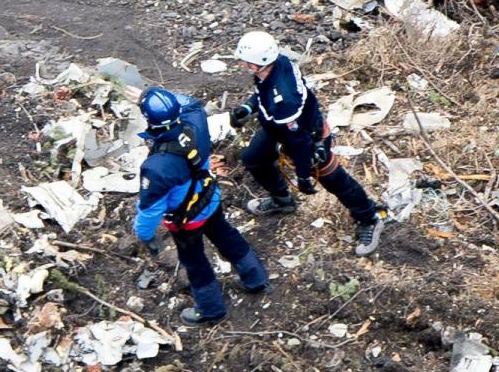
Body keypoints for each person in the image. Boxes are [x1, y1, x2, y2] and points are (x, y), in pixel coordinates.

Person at [229, 31, 387, 257]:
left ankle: (369, 218)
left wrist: (303, 175)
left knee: (335, 181)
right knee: (253, 159)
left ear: (256, 65)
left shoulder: (284, 100)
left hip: (307, 139)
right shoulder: (277, 64)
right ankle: (282, 199)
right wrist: (247, 108)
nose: (242, 64)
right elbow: (262, 94)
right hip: (278, 129)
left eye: (246, 62)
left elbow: (299, 142)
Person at [132, 87, 269, 325]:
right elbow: (192, 102)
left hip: (186, 221)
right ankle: (256, 278)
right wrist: (159, 96)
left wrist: (145, 236)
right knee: (228, 237)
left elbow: (150, 209)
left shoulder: (156, 167)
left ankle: (211, 309)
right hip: (209, 198)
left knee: (195, 262)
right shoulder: (195, 121)